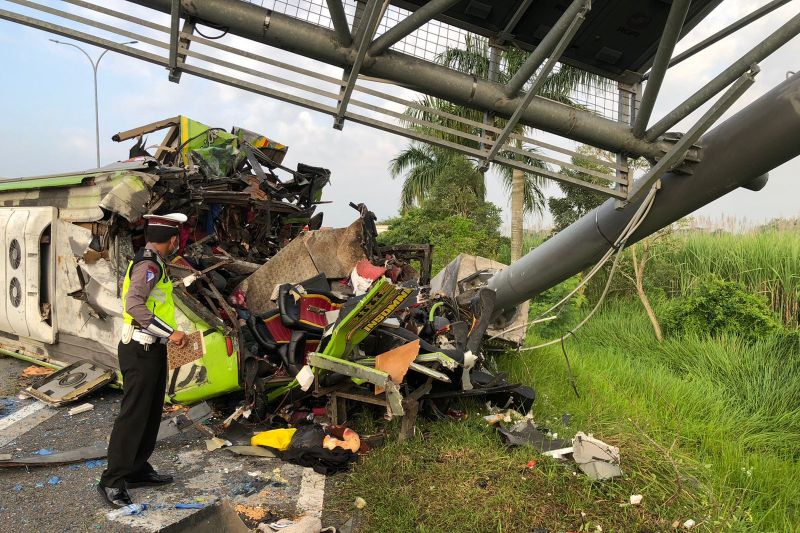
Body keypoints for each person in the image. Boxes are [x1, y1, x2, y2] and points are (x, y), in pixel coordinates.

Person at [98, 213, 189, 508]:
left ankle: (136, 468)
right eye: (177, 237)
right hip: (140, 350)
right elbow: (134, 304)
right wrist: (170, 333)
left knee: (150, 413)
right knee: (134, 415)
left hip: (152, 349)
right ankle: (112, 481)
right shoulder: (148, 265)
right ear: (172, 239)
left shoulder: (154, 261)